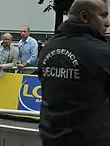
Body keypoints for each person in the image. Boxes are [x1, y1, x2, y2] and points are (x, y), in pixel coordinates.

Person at [37, 0, 110, 146]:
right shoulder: (101, 53)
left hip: (51, 138)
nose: (107, 23)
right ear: (84, 16)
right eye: (103, 15)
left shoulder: (48, 48)